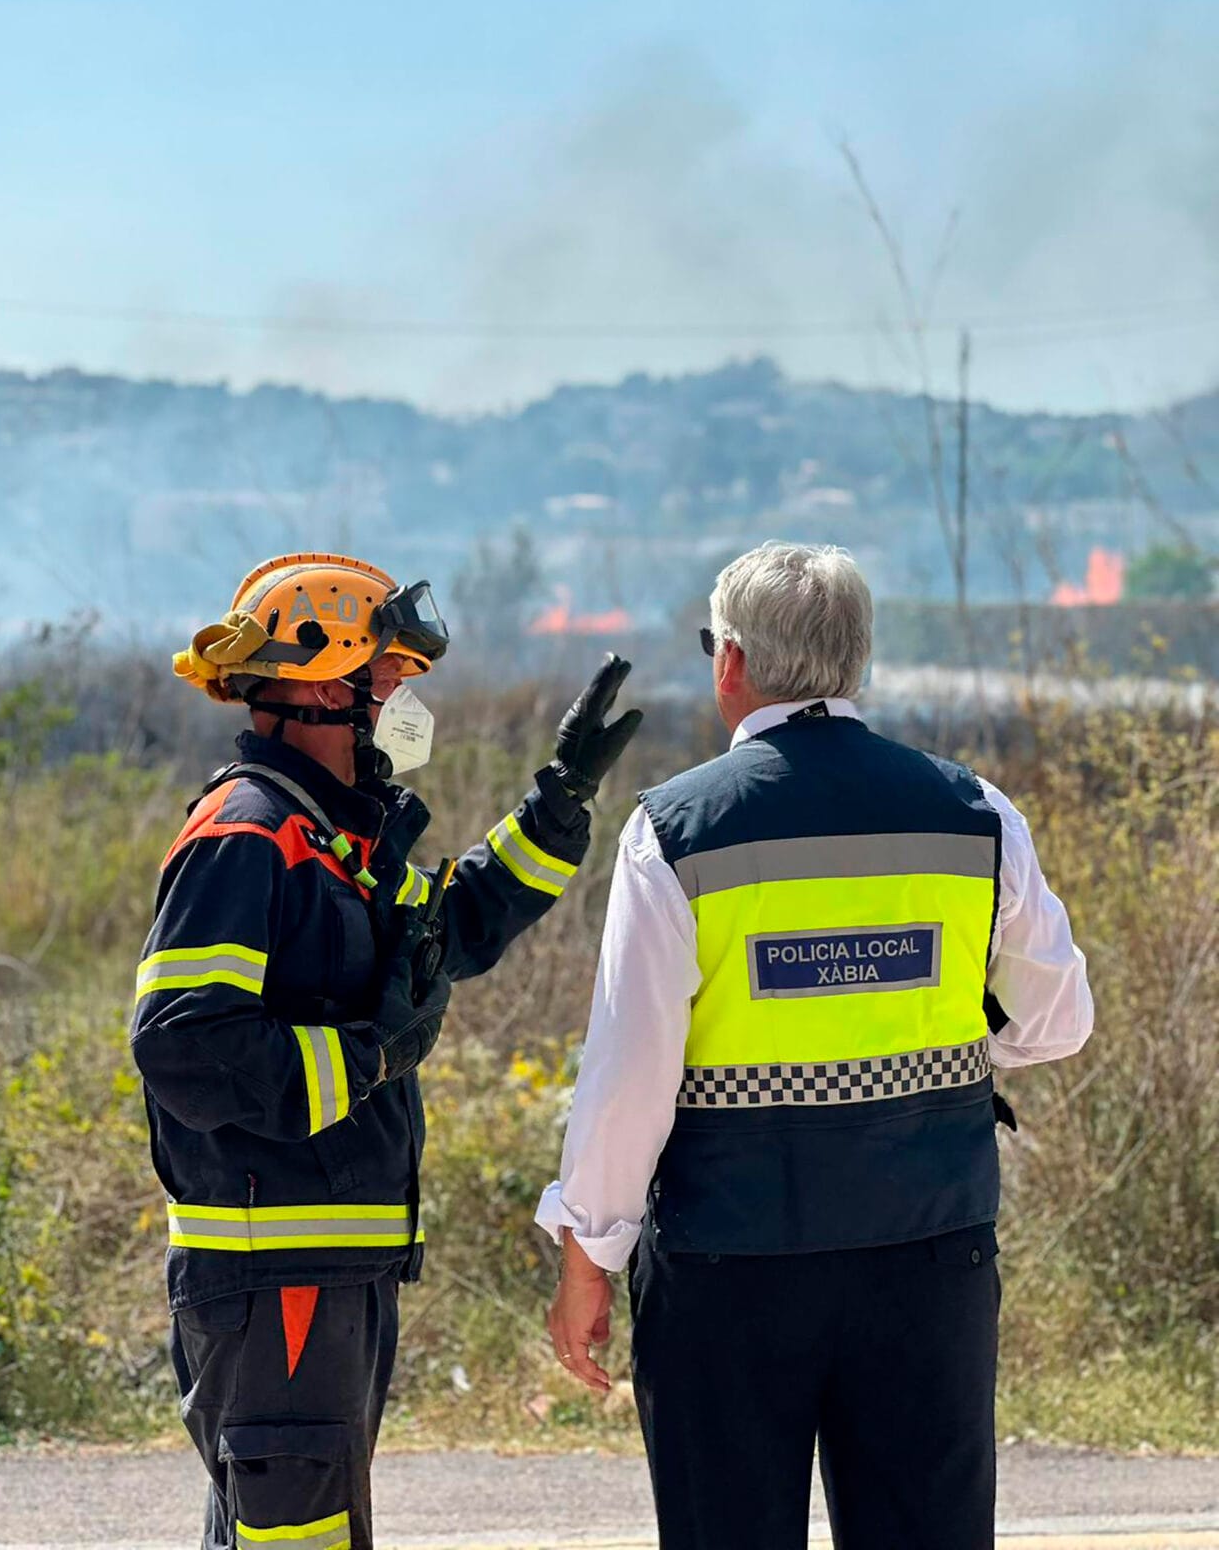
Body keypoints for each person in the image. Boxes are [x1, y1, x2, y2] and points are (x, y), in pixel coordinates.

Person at [538, 541, 1092, 1550]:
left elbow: (631, 1079)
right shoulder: (976, 814)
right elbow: (1059, 1018)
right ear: (860, 660)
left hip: (731, 1265)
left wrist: (589, 1257)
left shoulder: (677, 829)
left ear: (731, 660)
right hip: (929, 1256)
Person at [132, 552, 640, 1550]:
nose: (404, 705)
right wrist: (364, 1057)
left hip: (328, 1269)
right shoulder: (248, 836)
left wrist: (560, 800)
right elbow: (186, 1046)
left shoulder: (333, 841)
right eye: (390, 680)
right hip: (276, 1273)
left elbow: (448, 931)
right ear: (329, 684)